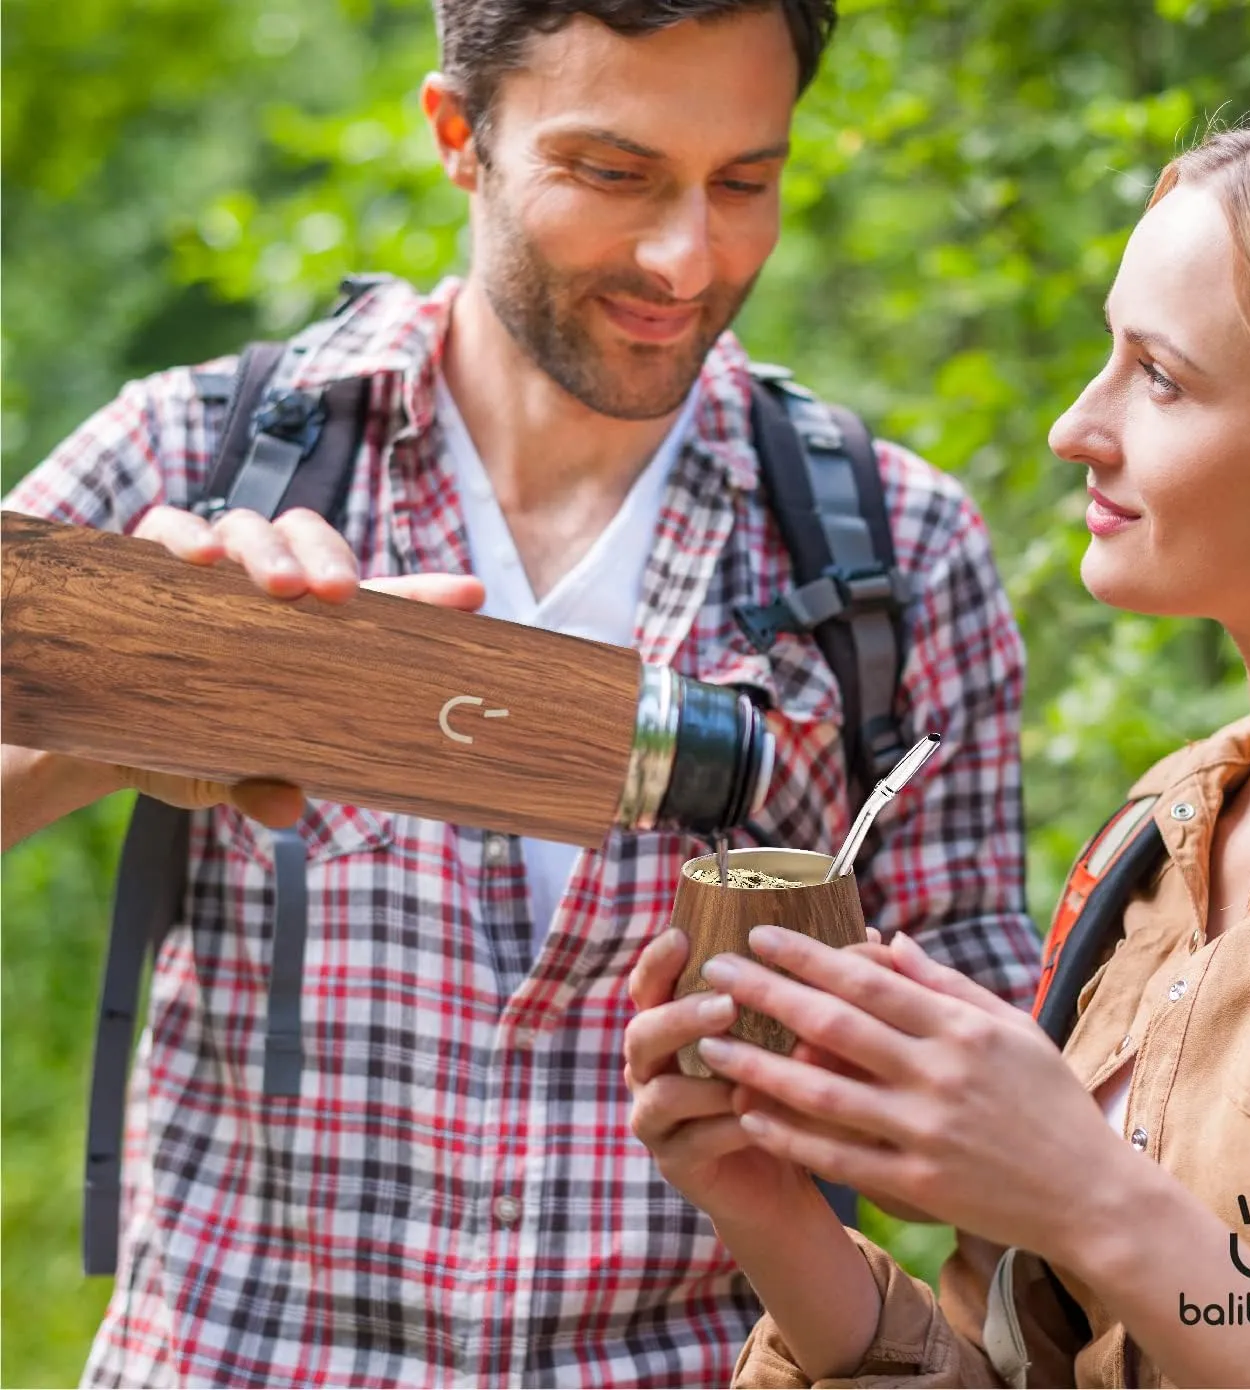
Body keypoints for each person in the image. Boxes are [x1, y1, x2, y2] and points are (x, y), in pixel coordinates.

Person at [0, 1, 1042, 1384]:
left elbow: (987, 1161)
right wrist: (139, 694)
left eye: (745, 181)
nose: (688, 257)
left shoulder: (891, 554)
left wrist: (833, 1057)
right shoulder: (199, 451)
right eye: (613, 174)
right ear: (457, 134)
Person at [625, 101, 1250, 1388]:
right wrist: (773, 1214)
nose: (1075, 428)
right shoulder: (1146, 857)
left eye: (1162, 377)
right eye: (1109, 354)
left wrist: (1092, 1196)